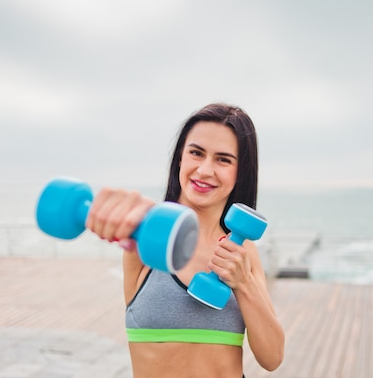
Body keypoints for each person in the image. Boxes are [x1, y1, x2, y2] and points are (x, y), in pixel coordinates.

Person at [85, 103, 285, 377]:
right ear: (180, 157)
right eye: (196, 153)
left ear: (241, 171)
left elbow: (272, 357)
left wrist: (243, 283)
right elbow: (124, 215)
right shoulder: (146, 239)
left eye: (223, 159)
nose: (204, 170)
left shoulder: (244, 252)